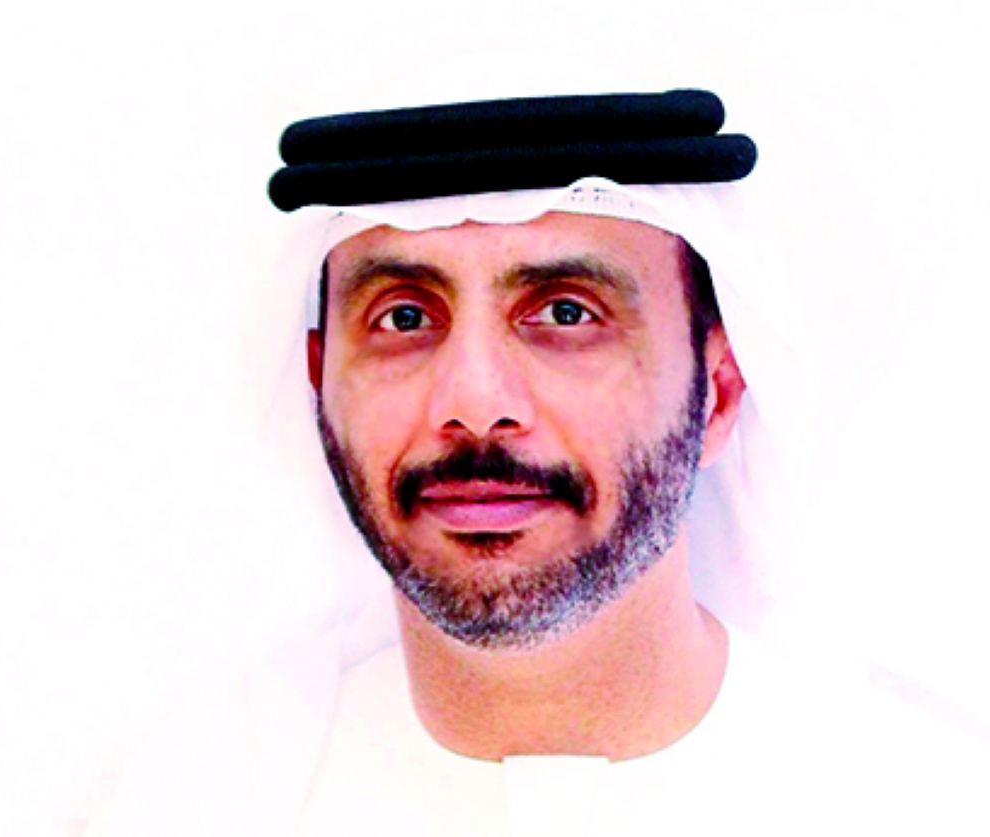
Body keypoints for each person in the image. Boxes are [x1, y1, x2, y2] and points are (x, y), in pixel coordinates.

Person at [85, 89, 985, 837]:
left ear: (717, 392)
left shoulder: (926, 803)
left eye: (565, 312)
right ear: (321, 388)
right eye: (404, 317)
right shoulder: (186, 803)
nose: (475, 402)